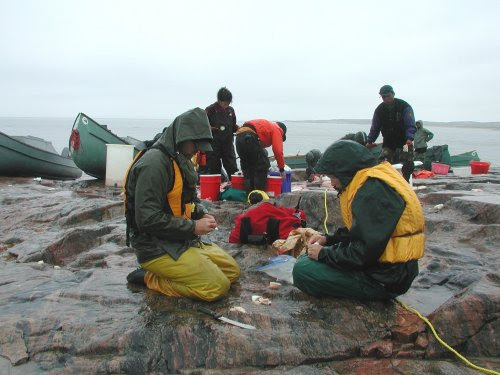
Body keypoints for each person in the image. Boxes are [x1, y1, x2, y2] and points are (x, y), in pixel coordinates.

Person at [124, 108, 240, 301]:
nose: (198, 150)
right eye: (196, 144)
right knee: (216, 287)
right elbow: (146, 219)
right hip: (155, 246)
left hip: (181, 238)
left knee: (232, 272)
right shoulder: (154, 164)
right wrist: (193, 227)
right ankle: (149, 277)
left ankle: (182, 267)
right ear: (182, 136)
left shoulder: (181, 157)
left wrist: (200, 214)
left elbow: (188, 200)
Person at [293, 140, 424, 301]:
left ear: (345, 171)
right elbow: (365, 232)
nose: (332, 182)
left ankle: (372, 295)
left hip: (385, 279)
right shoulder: (372, 181)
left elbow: (363, 252)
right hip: (388, 271)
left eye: (333, 177)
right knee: (310, 259)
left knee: (303, 269)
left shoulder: (374, 190)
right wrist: (328, 239)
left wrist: (323, 254)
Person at [366, 85, 417, 182]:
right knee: (382, 162)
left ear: (393, 94)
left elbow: (410, 124)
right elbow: (375, 127)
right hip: (389, 141)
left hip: (405, 141)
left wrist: (410, 138)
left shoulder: (404, 106)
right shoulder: (379, 110)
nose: (386, 98)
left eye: (388, 95)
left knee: (408, 163)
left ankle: (405, 183)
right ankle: (384, 183)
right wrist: (370, 140)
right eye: (383, 97)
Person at [235, 119, 287, 193]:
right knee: (262, 165)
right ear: (282, 132)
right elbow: (278, 151)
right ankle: (259, 195)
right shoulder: (277, 129)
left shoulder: (267, 126)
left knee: (247, 168)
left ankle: (250, 195)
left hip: (239, 138)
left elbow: (258, 148)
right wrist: (281, 169)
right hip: (250, 137)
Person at [204, 87, 239, 179]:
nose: (226, 105)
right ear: (219, 100)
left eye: (228, 103)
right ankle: (214, 190)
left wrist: (240, 129)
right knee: (214, 170)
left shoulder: (230, 110)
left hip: (228, 144)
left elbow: (233, 125)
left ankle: (235, 188)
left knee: (232, 168)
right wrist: (212, 128)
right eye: (225, 103)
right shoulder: (209, 110)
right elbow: (202, 127)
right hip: (213, 146)